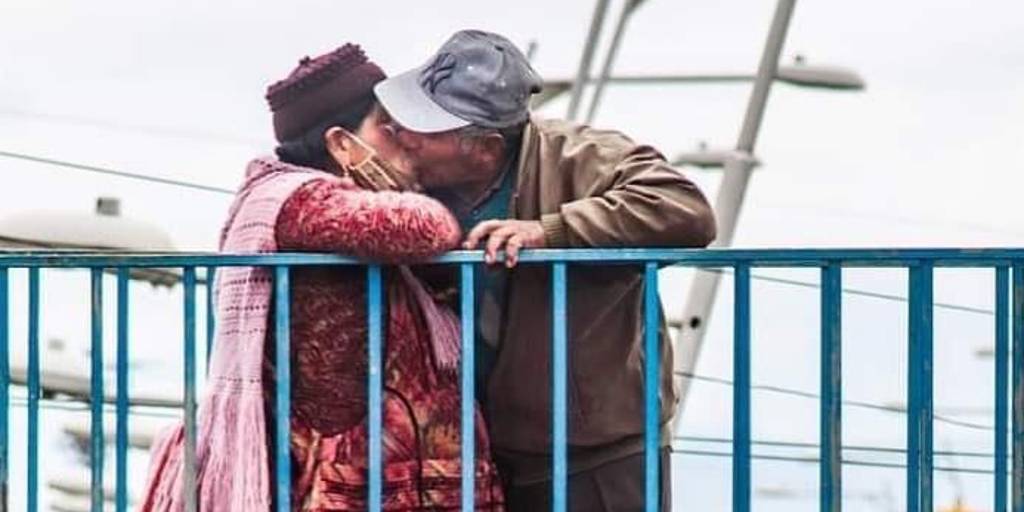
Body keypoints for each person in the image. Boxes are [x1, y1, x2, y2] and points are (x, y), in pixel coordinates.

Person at [140, 44, 504, 511]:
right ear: (342, 144)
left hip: (399, 475)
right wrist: (411, 193)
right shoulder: (296, 198)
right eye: (388, 126)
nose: (407, 140)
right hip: (353, 477)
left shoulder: (321, 199)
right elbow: (425, 226)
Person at [371, 30, 717, 511]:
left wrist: (551, 232)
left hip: (597, 454)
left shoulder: (581, 155)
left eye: (426, 129)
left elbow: (686, 210)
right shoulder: (415, 179)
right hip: (479, 450)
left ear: (485, 146)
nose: (404, 136)